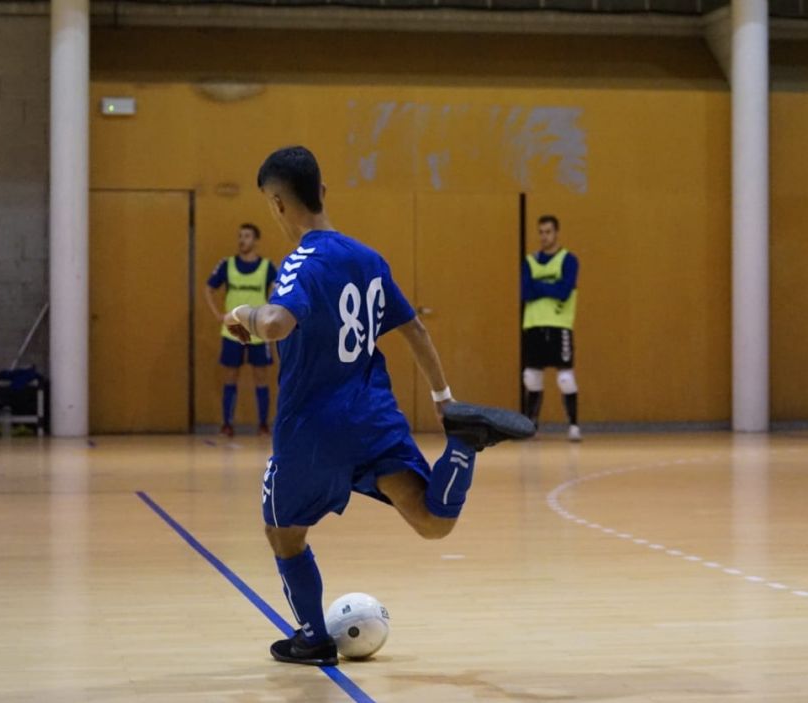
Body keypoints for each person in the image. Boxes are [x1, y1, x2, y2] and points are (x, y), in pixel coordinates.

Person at [224, 146, 534, 667]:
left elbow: (276, 323)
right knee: (432, 520)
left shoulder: (301, 261)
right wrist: (443, 399)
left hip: (314, 429)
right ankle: (463, 446)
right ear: (322, 192)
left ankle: (312, 638)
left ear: (277, 203)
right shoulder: (368, 258)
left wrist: (246, 313)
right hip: (372, 416)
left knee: (283, 530)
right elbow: (413, 328)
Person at [204, 223, 277, 437]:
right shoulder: (227, 265)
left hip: (258, 329)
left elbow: (279, 293)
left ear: (256, 240)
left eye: (247, 236)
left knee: (261, 377)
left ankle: (263, 425)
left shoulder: (268, 267)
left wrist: (271, 317)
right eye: (240, 236)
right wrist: (218, 314)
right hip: (233, 330)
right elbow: (208, 288)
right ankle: (227, 424)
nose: (242, 240)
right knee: (230, 377)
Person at [521, 214, 582, 442]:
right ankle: (531, 425)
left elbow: (565, 291)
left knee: (565, 378)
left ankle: (574, 425)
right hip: (534, 324)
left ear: (556, 233)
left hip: (559, 325)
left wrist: (541, 286)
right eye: (541, 232)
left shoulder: (569, 260)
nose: (544, 236)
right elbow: (526, 292)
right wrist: (550, 286)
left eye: (548, 232)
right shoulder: (529, 261)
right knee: (531, 377)